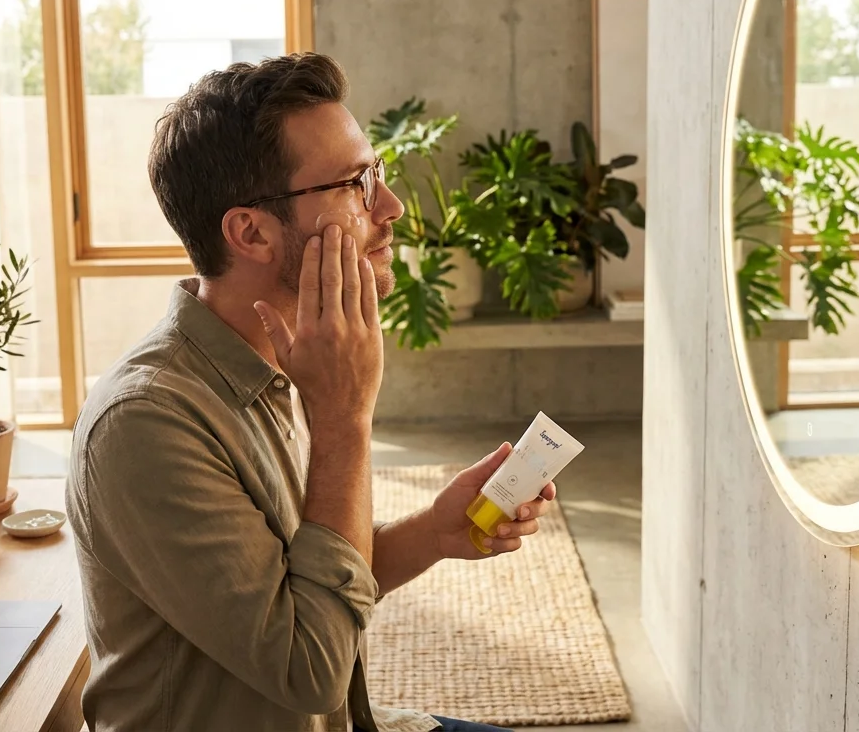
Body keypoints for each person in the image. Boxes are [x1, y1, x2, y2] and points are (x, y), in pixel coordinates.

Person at [65, 52, 556, 732]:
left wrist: (436, 532)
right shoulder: (143, 425)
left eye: (374, 174)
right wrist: (344, 420)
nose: (389, 206)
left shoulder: (274, 360)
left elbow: (304, 579)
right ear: (252, 233)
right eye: (355, 185)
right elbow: (312, 670)